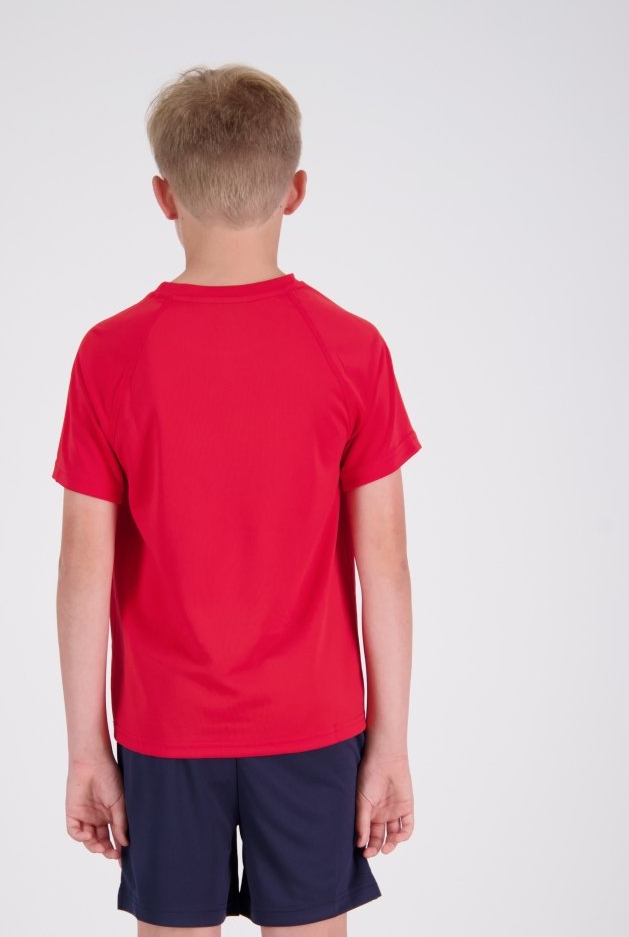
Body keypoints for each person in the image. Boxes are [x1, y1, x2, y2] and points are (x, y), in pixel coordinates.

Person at [52, 63, 421, 935]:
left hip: (164, 728)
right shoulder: (351, 349)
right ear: (296, 190)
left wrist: (87, 748)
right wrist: (390, 743)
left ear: (162, 195)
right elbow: (387, 567)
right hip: (315, 724)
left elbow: (82, 571)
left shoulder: (111, 354)